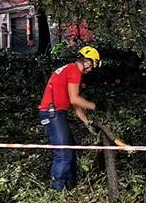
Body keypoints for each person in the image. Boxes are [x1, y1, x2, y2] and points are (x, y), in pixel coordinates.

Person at [37, 46, 101, 190]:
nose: (90, 70)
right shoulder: (74, 71)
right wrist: (95, 106)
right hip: (52, 114)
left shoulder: (69, 69)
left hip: (57, 113)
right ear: (88, 62)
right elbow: (74, 99)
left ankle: (70, 187)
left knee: (70, 149)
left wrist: (88, 123)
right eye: (92, 66)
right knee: (64, 153)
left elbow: (75, 106)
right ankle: (57, 190)